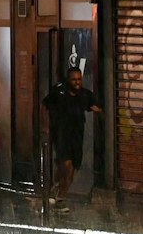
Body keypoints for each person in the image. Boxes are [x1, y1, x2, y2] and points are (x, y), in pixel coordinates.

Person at [42, 65, 101, 206]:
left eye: (79, 79)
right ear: (68, 80)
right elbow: (44, 105)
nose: (77, 83)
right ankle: (59, 198)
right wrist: (45, 125)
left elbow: (96, 106)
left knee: (71, 170)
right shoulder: (59, 92)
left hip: (77, 136)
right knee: (67, 167)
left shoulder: (85, 95)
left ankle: (55, 190)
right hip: (61, 134)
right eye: (74, 80)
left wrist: (98, 111)